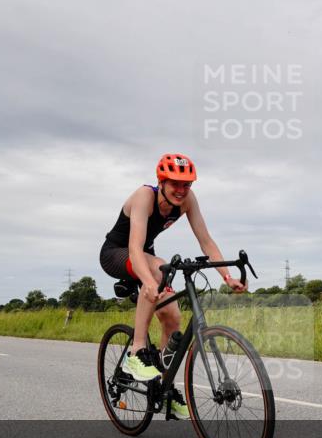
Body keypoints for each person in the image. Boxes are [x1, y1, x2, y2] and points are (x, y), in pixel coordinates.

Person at [100, 153, 247, 418]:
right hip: (117, 253)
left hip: (146, 256)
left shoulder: (187, 201)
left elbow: (206, 241)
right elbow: (135, 247)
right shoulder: (144, 196)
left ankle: (164, 390)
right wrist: (147, 280)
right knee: (157, 268)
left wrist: (227, 277)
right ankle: (137, 350)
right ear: (162, 181)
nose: (181, 190)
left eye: (187, 184)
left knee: (173, 317)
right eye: (175, 184)